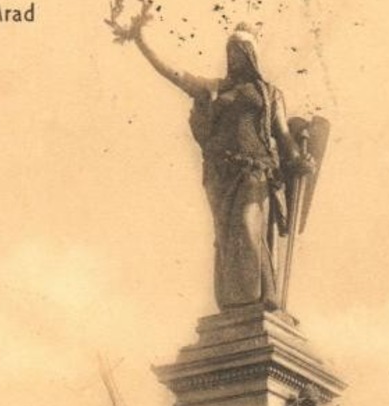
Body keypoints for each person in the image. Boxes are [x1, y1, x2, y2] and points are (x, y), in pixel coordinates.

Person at [132, 21, 313, 311]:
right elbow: (176, 75)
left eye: (239, 51)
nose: (233, 57)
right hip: (221, 176)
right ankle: (240, 306)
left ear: (250, 54)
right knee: (227, 239)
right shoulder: (215, 88)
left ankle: (254, 300)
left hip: (255, 171)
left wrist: (297, 158)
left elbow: (282, 135)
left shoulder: (269, 93)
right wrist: (141, 42)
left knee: (247, 228)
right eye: (230, 51)